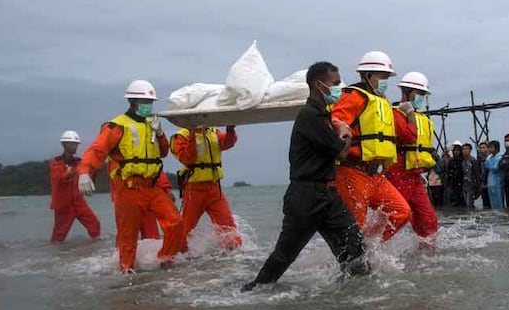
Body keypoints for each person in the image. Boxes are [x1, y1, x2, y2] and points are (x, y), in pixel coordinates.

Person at [242, 62, 370, 290]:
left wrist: (337, 128)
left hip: (328, 194)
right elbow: (341, 151)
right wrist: (345, 133)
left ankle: (356, 299)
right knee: (284, 255)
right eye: (335, 84)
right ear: (318, 85)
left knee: (356, 249)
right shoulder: (309, 116)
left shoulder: (324, 116)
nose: (340, 89)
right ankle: (253, 291)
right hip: (306, 197)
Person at [77, 80, 183, 272]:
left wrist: (159, 133)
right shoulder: (117, 125)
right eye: (145, 102)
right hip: (128, 188)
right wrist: (84, 171)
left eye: (151, 102)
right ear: (133, 102)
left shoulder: (153, 123)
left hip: (153, 187)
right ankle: (126, 273)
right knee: (128, 236)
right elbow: (97, 150)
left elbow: (164, 152)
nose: (148, 106)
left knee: (175, 223)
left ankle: (165, 260)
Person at [330, 51, 411, 241]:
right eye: (382, 77)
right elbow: (337, 119)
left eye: (387, 77)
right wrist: (341, 129)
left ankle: (369, 248)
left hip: (374, 174)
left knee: (401, 212)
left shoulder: (382, 101)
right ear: (366, 75)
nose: (385, 81)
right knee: (355, 225)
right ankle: (353, 259)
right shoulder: (354, 95)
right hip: (352, 172)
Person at [168, 124, 243, 252]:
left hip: (214, 187)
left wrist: (230, 130)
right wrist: (192, 134)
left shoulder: (213, 132)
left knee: (227, 225)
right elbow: (187, 158)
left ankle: (235, 255)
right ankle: (177, 255)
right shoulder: (180, 136)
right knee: (186, 227)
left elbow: (227, 143)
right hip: (194, 189)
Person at [385, 71, 439, 242]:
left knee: (429, 219)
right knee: (394, 217)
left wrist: (421, 170)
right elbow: (409, 136)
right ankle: (371, 247)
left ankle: (427, 252)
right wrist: (408, 113)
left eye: (424, 95)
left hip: (415, 175)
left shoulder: (421, 118)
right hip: (398, 174)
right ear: (407, 92)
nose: (421, 98)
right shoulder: (395, 114)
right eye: (419, 94)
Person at [49, 131, 101, 242]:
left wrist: (93, 171)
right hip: (63, 205)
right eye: (72, 144)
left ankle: (96, 250)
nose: (75, 146)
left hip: (78, 202)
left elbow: (90, 172)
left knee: (94, 225)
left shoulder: (79, 162)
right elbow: (60, 178)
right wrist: (77, 170)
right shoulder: (56, 162)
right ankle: (57, 256)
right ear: (64, 145)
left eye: (76, 144)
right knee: (59, 236)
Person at [483, 140, 504, 209]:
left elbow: (495, 168)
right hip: (490, 183)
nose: (490, 149)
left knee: (499, 203)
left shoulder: (500, 156)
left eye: (491, 147)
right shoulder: (490, 157)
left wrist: (489, 163)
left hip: (497, 183)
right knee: (492, 204)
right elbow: (485, 165)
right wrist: (489, 162)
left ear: (496, 148)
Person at [446, 141, 465, 207]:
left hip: (462, 183)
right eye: (455, 150)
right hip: (453, 184)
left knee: (463, 201)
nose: (456, 152)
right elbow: (448, 173)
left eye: (458, 150)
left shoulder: (463, 160)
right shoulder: (451, 161)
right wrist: (448, 185)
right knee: (454, 202)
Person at [461, 143, 480, 208]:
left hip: (472, 186)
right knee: (466, 204)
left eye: (467, 149)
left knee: (470, 204)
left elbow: (477, 174)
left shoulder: (473, 160)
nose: (465, 151)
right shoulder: (463, 161)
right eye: (463, 149)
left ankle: (472, 216)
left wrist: (477, 187)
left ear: (470, 150)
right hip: (464, 186)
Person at [477, 142, 491, 209]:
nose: (482, 149)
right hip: (483, 185)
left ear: (488, 149)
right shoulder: (478, 161)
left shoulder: (491, 159)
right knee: (485, 205)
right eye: (481, 148)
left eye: (484, 147)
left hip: (492, 184)